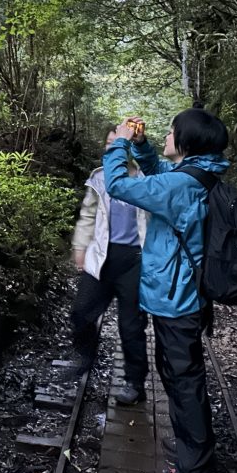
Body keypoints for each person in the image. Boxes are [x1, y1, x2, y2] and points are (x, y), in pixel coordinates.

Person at [102, 107, 227, 473]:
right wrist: (143, 148)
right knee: (179, 377)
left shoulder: (181, 186)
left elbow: (119, 186)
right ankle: (193, 448)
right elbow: (160, 175)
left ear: (186, 142)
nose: (167, 136)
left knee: (184, 382)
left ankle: (196, 471)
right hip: (186, 293)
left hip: (177, 299)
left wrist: (118, 144)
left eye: (172, 132)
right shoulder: (197, 174)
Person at [70, 124, 149, 405]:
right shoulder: (99, 178)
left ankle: (134, 383)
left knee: (131, 325)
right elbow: (87, 215)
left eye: (118, 143)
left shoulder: (143, 178)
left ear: (128, 147)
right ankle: (85, 355)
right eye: (107, 143)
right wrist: (80, 246)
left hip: (134, 261)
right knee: (81, 312)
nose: (111, 147)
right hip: (102, 257)